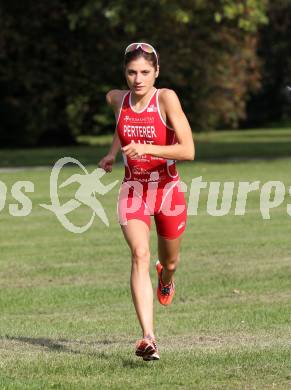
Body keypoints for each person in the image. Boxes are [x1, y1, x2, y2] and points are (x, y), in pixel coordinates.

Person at [98, 42, 195, 361]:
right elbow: (121, 125)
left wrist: (148, 148)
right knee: (139, 254)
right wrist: (113, 152)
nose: (138, 79)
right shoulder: (116, 98)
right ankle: (148, 337)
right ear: (124, 73)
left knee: (169, 263)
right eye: (131, 72)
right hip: (134, 190)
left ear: (156, 72)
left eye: (144, 72)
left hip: (167, 192)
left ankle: (165, 280)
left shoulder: (165, 98)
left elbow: (188, 150)